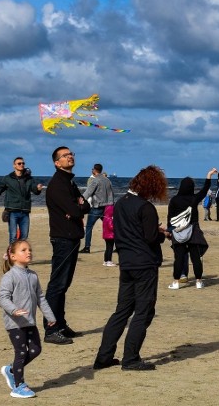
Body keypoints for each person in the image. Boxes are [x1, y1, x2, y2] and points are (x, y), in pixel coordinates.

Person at [94, 166, 170, 371]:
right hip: (144, 264)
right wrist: (162, 234)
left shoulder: (121, 203)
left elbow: (132, 230)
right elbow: (150, 237)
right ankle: (131, 358)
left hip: (127, 263)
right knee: (143, 312)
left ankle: (104, 357)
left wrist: (154, 230)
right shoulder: (145, 207)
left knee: (122, 310)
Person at [0, 240, 56, 398]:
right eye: (23, 250)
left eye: (29, 249)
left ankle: (11, 370)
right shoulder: (9, 276)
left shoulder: (33, 275)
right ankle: (18, 386)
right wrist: (14, 310)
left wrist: (49, 315)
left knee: (36, 350)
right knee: (21, 352)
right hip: (14, 323)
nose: (28, 252)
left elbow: (40, 297)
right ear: (13, 256)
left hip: (30, 321)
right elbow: (3, 298)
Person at [43, 146, 89, 345]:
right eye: (65, 155)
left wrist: (79, 206)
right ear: (56, 162)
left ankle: (60, 324)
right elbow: (77, 210)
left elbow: (85, 206)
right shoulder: (58, 184)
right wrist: (77, 207)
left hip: (71, 237)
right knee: (57, 285)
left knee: (64, 285)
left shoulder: (69, 182)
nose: (70, 157)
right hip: (63, 237)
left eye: (71, 154)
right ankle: (51, 329)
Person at [166, 169, 216, 290]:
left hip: (178, 232)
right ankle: (198, 282)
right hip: (193, 230)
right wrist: (209, 176)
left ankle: (176, 282)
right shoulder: (194, 199)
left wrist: (169, 230)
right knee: (195, 258)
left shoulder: (174, 200)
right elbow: (204, 190)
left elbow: (170, 217)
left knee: (179, 258)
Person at [0, 158, 44, 245]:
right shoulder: (8, 178)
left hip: (25, 211)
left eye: (23, 163)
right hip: (12, 210)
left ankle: (19, 256)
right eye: (19, 163)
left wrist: (38, 189)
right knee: (13, 236)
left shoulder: (29, 179)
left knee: (24, 236)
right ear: (14, 165)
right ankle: (11, 256)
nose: (21, 165)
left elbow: (35, 191)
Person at [80, 163, 114, 254]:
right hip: (107, 207)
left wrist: (80, 200)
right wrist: (111, 205)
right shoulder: (107, 180)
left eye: (92, 169)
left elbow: (88, 192)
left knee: (89, 227)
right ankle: (118, 246)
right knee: (110, 227)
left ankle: (87, 247)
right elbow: (111, 194)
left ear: (94, 170)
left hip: (97, 207)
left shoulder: (95, 180)